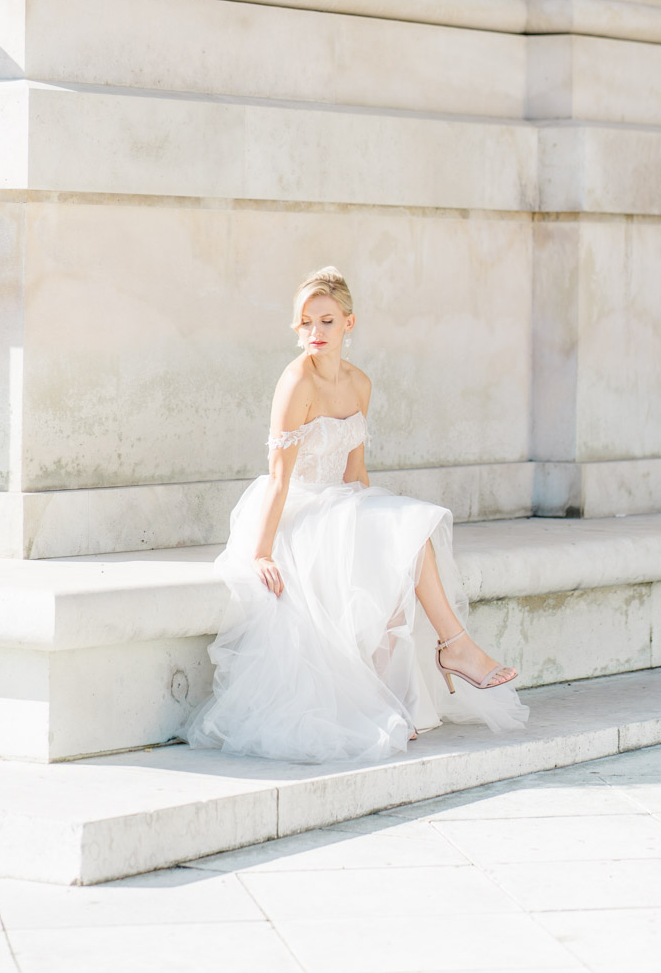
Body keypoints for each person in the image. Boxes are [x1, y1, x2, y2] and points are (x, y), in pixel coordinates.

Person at [185, 266, 528, 763]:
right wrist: (261, 552)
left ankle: (411, 678)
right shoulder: (295, 381)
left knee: (402, 534)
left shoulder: (359, 384)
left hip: (341, 501)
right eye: (304, 323)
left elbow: (356, 470)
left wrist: (374, 520)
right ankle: (455, 648)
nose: (314, 334)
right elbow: (279, 479)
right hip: (296, 511)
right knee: (395, 531)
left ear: (349, 323)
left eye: (325, 322)